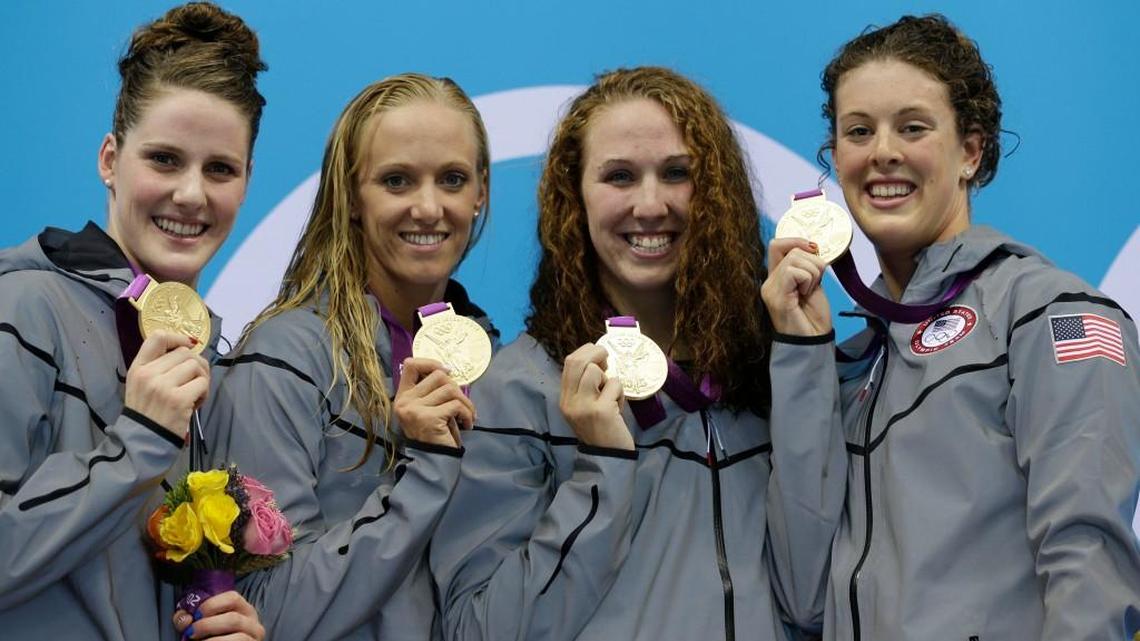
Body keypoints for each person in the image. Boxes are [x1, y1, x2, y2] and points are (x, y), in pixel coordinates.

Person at [762, 13, 1140, 641]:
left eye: (912, 127)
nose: (882, 150)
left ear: (971, 150)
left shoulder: (1051, 314)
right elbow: (802, 600)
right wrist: (802, 355)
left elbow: (1090, 567)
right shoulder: (856, 360)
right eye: (858, 131)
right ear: (835, 159)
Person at [431, 66, 825, 641]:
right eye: (619, 176)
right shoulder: (517, 392)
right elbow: (478, 630)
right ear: (575, 197)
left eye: (677, 174)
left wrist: (803, 360)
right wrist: (603, 471)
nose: (650, 204)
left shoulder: (766, 373)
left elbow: (813, 600)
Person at [0, 3, 267, 640]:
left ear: (248, 181)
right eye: (165, 160)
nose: (192, 195)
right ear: (110, 159)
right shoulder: (23, 312)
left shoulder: (207, 355)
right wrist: (139, 439)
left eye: (220, 169)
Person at [205, 72, 497, 641]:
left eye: (453, 179)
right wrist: (425, 467)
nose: (429, 207)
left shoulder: (496, 364)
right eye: (396, 181)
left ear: (480, 190)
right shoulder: (282, 362)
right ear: (353, 194)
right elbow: (266, 609)